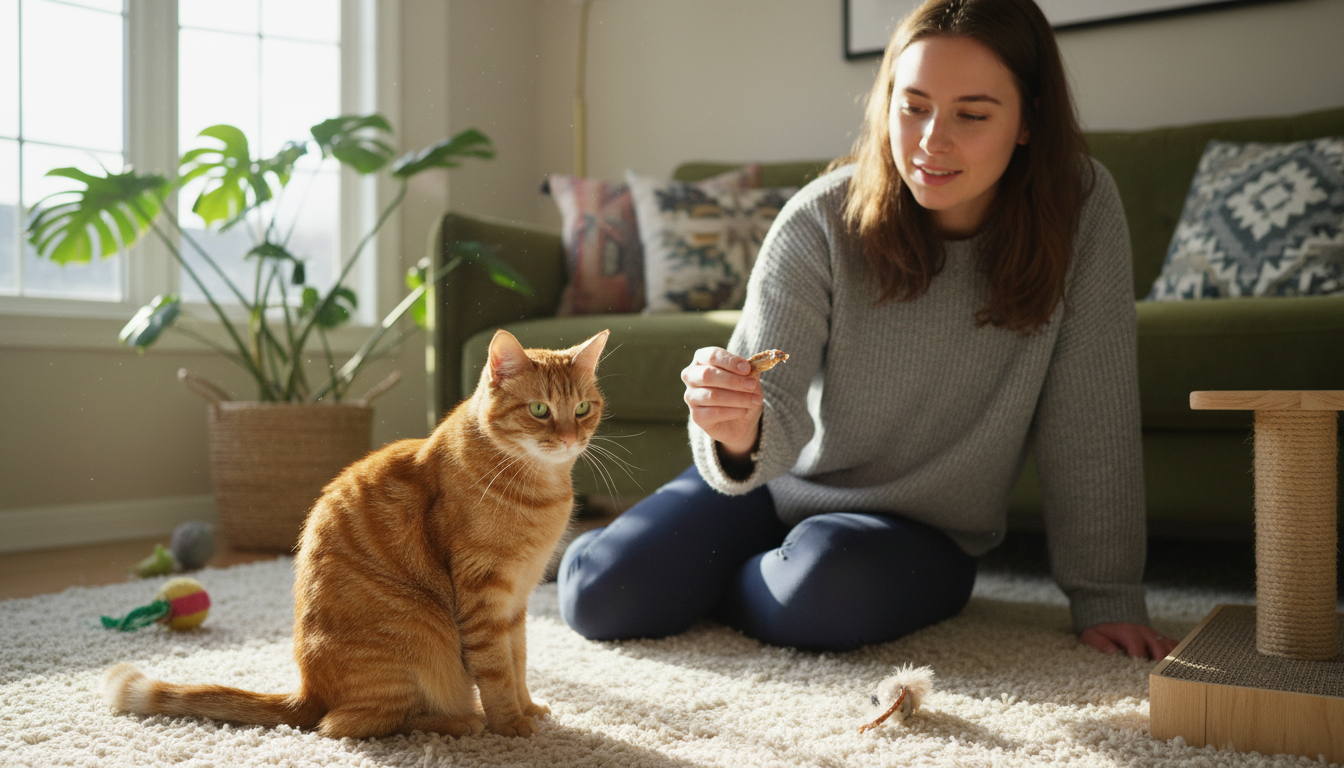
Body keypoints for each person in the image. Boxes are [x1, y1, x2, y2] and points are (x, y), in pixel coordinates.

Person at [557, 0, 1179, 660]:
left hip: (920, 530)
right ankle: (718, 573)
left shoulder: (1081, 209)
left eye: (972, 114)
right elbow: (771, 408)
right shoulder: (819, 220)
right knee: (601, 593)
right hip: (775, 486)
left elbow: (1091, 415)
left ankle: (718, 582)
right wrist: (740, 430)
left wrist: (1108, 597)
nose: (932, 140)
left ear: (1029, 120)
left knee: (824, 593)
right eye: (912, 106)